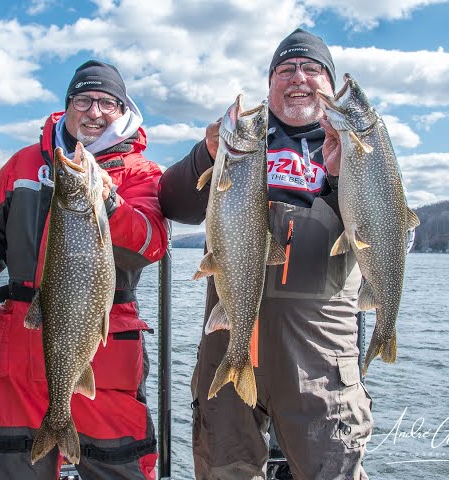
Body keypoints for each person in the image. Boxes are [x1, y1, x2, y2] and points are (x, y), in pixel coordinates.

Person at [159, 29, 373, 479]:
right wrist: (205, 154)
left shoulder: (358, 148)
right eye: (285, 69)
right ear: (270, 82)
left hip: (319, 357)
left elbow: (387, 238)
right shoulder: (239, 142)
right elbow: (173, 204)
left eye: (312, 69)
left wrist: (343, 176)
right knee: (224, 469)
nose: (298, 78)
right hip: (229, 341)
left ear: (330, 84)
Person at [0, 60, 168, 480]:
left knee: (117, 468)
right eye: (83, 99)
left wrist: (110, 204)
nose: (94, 111)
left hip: (104, 350)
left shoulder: (142, 173)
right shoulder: (21, 164)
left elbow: (151, 243)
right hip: (17, 347)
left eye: (107, 102)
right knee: (10, 467)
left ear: (124, 110)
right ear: (67, 105)